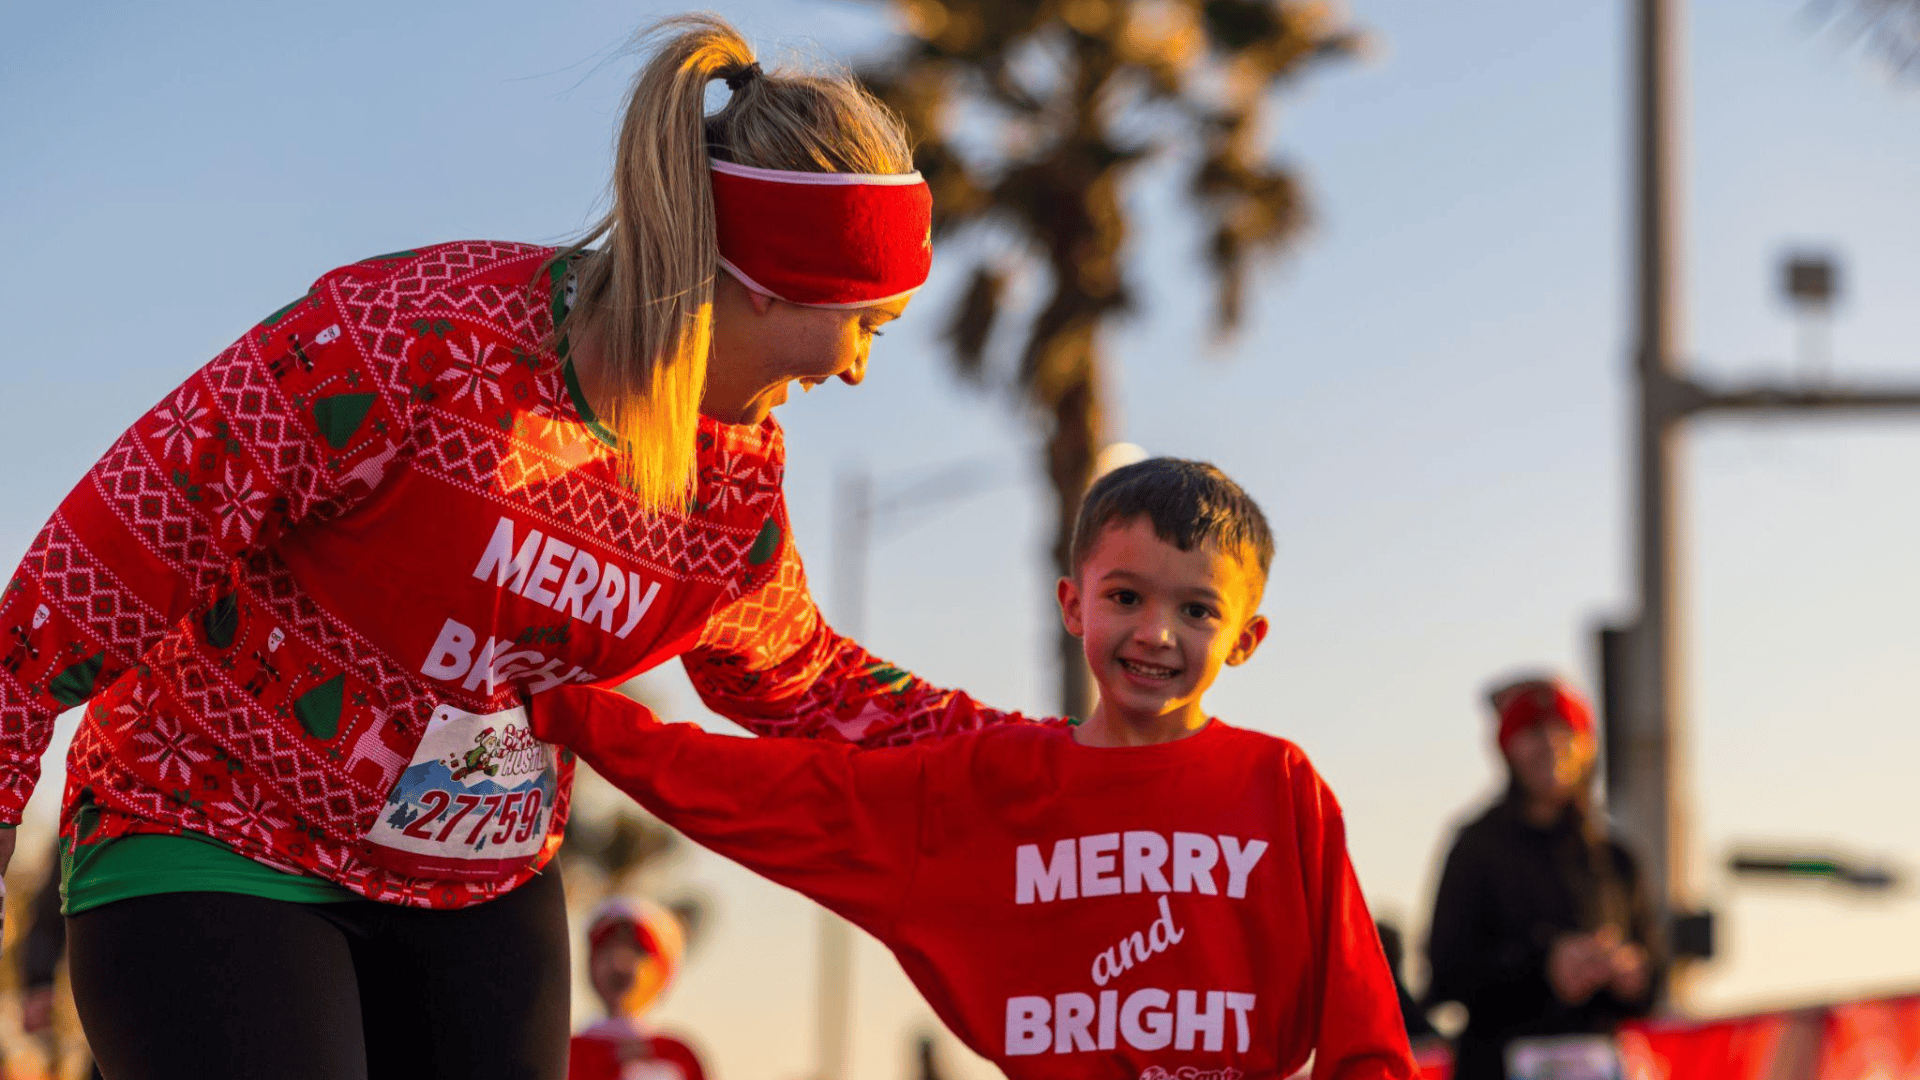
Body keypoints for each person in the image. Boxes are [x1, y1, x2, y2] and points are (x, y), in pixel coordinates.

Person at [0, 15, 1029, 1079]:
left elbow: (805, 682)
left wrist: (1051, 766)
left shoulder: (731, 486)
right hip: (217, 835)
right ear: (767, 279)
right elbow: (85, 573)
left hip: (477, 885)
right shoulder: (412, 341)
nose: (859, 368)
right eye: (866, 322)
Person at [530, 458, 1419, 1080]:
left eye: (1195, 608)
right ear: (1073, 604)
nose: (1155, 632)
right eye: (1125, 597)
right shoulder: (984, 785)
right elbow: (777, 795)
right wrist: (567, 707)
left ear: (1247, 638)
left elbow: (1366, 1035)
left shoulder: (1280, 787)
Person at [1423, 678, 1658, 1080]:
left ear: (1587, 746)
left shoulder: (1616, 860)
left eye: (1564, 730)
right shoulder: (1475, 847)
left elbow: (1655, 973)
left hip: (1597, 1062)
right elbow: (1445, 974)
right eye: (1532, 731)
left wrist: (1630, 973)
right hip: (1496, 1065)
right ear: (1507, 749)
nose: (1550, 743)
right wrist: (1544, 966)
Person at [569, 898, 707, 1080]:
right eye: (607, 948)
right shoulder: (568, 1052)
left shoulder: (677, 1056)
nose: (618, 962)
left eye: (638, 950)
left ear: (663, 972)